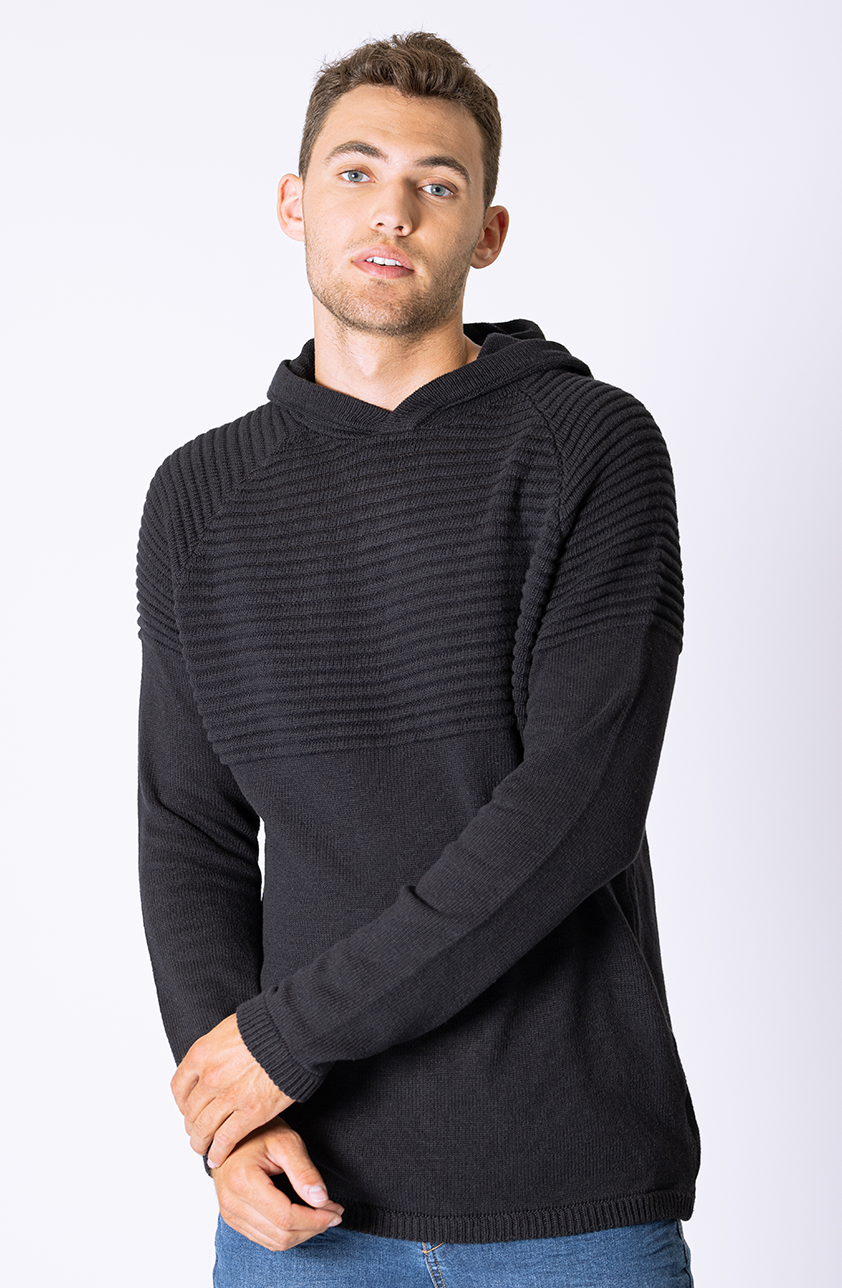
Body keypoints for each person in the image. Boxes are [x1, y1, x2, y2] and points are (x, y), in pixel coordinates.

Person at [137, 31, 699, 1287]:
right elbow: (191, 833)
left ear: (485, 233)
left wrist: (281, 1041)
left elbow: (576, 813)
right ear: (293, 203)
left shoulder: (588, 446)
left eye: (435, 184)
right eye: (356, 172)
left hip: (567, 1200)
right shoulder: (199, 496)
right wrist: (233, 1116)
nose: (391, 210)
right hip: (300, 1202)